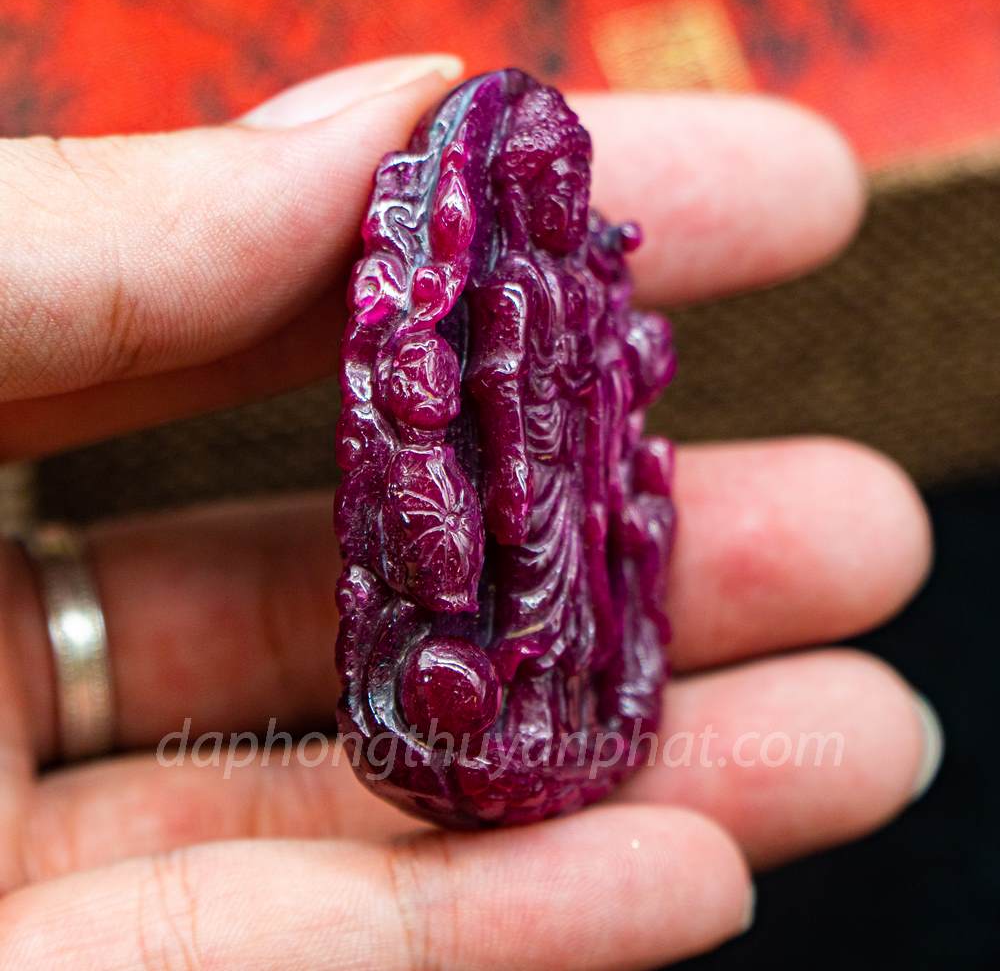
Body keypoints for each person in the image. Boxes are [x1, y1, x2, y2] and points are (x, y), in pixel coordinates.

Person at [0, 54, 939, 968]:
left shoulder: (577, 271)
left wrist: (621, 361)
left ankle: (571, 700)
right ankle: (519, 694)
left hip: (574, 466)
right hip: (523, 478)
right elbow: (495, 378)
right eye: (550, 183)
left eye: (572, 183)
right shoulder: (514, 282)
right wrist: (516, 461)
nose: (567, 201)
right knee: (532, 602)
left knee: (587, 600)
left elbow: (609, 366)